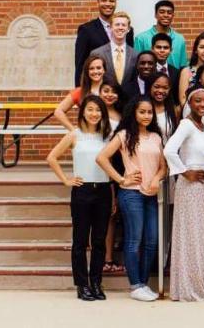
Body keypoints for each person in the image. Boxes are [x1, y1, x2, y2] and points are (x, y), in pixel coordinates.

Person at [95, 96, 166, 302]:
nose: (146, 115)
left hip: (152, 194)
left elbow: (163, 166)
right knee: (134, 239)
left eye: (149, 112)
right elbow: (101, 158)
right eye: (142, 112)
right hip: (131, 193)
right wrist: (120, 180)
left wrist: (156, 179)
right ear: (134, 113)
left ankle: (143, 284)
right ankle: (135, 285)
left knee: (152, 240)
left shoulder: (155, 137)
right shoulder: (124, 135)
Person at [46, 95, 112, 301]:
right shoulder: (75, 135)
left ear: (103, 114)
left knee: (99, 241)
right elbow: (51, 157)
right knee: (80, 240)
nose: (94, 114)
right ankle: (82, 285)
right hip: (82, 191)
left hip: (103, 191)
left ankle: (96, 282)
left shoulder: (107, 136)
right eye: (90, 109)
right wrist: (66, 180)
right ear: (83, 111)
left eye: (98, 110)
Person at [163, 87, 204, 302]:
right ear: (189, 103)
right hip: (191, 186)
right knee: (192, 235)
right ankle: (189, 286)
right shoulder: (186, 125)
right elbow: (169, 150)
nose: (202, 105)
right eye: (198, 101)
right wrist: (185, 172)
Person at [75, 0, 134, 86]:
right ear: (97, 3)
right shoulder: (86, 30)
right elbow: (80, 64)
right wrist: (80, 91)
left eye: (111, 1)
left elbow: (130, 60)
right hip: (97, 87)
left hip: (123, 89)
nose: (108, 4)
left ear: (115, 3)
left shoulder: (128, 30)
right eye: (104, 0)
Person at [97, 80, 124, 274]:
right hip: (96, 163)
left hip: (116, 164)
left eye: (113, 92)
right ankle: (98, 257)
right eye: (105, 91)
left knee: (112, 215)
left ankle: (108, 258)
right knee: (100, 213)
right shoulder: (95, 113)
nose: (109, 95)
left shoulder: (121, 115)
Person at [55, 55, 107, 131]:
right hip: (87, 135)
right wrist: (73, 131)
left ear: (104, 70)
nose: (95, 71)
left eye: (98, 68)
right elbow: (58, 111)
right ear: (87, 71)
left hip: (108, 135)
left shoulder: (111, 90)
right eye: (91, 68)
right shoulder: (80, 92)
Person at [133, 0, 188, 69]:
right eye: (162, 12)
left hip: (174, 79)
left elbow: (183, 66)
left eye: (169, 13)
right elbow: (136, 65)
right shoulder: (141, 38)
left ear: (173, 15)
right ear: (155, 15)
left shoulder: (180, 39)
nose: (166, 15)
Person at [90, 12, 137, 90]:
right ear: (110, 27)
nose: (120, 27)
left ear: (128, 29)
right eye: (117, 24)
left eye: (123, 25)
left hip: (128, 100)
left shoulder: (135, 54)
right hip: (105, 98)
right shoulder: (97, 53)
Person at [146, 72, 179, 140]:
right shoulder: (143, 108)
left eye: (165, 88)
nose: (161, 90)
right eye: (156, 87)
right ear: (150, 87)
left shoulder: (174, 110)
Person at [150, 33, 182, 103]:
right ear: (152, 49)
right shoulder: (147, 70)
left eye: (166, 48)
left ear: (171, 50)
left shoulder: (176, 72)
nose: (162, 50)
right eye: (158, 47)